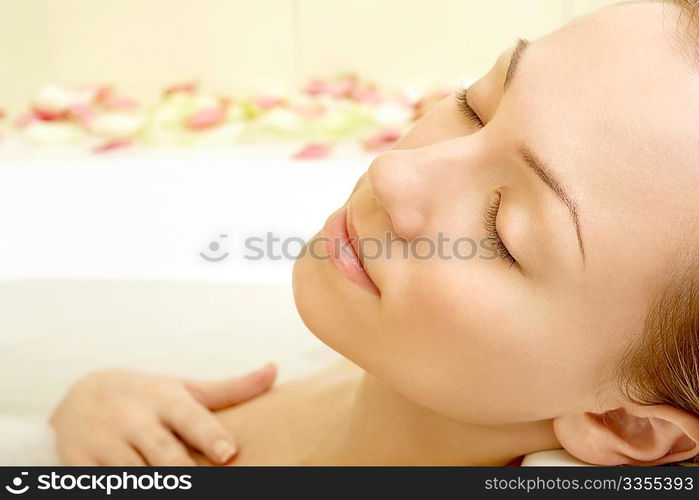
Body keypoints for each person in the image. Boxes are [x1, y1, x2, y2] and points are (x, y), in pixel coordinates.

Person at [50, 0, 699, 466]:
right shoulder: (383, 370)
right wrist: (97, 402)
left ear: (623, 422)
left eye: (501, 230)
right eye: (476, 106)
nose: (394, 172)